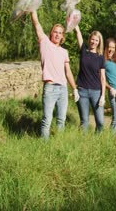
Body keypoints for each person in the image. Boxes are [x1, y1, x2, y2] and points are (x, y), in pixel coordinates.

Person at [30, 11, 79, 139]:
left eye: (60, 33)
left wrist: (74, 89)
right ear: (51, 33)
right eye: (55, 32)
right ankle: (45, 148)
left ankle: (58, 145)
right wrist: (32, 10)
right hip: (50, 88)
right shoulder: (45, 43)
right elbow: (36, 24)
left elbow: (68, 72)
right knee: (47, 120)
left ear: (63, 36)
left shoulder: (64, 52)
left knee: (61, 121)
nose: (57, 34)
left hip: (63, 89)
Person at [74, 25, 106, 133]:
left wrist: (103, 96)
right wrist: (75, 21)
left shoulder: (100, 57)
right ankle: (83, 146)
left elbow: (102, 77)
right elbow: (78, 33)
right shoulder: (83, 50)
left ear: (99, 42)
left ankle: (98, 141)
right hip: (82, 90)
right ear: (89, 39)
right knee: (84, 122)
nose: (94, 42)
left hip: (96, 92)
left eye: (96, 40)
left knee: (100, 122)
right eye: (92, 39)